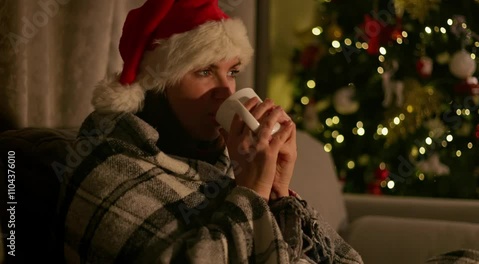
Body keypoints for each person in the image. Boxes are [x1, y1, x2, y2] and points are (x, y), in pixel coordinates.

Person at [61, 0, 364, 263]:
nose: (226, 89)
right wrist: (253, 189)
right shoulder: (108, 167)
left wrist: (276, 192)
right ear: (157, 87)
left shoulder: (220, 162)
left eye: (231, 71)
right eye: (204, 71)